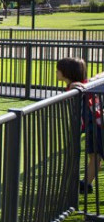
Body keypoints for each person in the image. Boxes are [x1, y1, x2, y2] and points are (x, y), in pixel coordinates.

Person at [57, 58, 99, 194]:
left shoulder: (78, 87)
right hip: (93, 124)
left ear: (66, 73)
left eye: (58, 71)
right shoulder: (82, 85)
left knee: (96, 155)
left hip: (96, 125)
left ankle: (86, 183)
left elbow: (81, 88)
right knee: (95, 155)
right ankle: (86, 184)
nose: (56, 73)